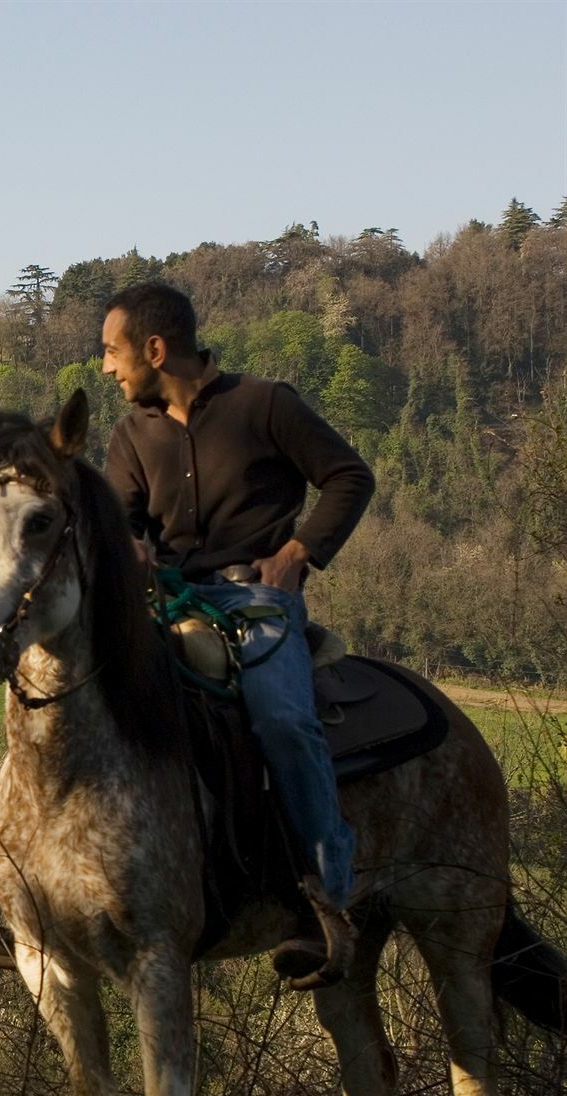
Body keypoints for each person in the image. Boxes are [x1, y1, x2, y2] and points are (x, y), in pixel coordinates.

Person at [101, 281, 375, 976]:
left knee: (283, 721)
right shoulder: (130, 435)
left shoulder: (266, 405)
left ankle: (327, 898)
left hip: (257, 603)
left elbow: (348, 476)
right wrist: (127, 548)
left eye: (113, 351)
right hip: (166, 604)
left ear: (156, 350)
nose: (107, 368)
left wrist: (298, 553)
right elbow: (121, 524)